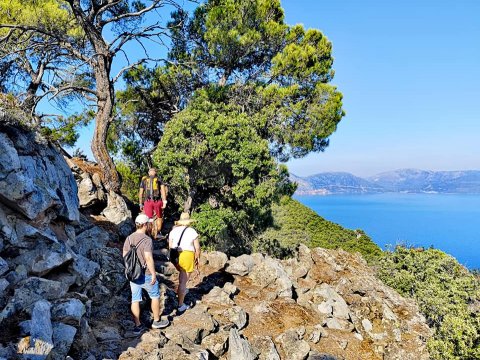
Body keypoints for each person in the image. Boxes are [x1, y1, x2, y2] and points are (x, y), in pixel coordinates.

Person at [123, 213, 169, 335]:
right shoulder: (147, 239)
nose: (150, 225)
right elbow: (148, 258)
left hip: (133, 274)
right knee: (154, 296)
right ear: (144, 225)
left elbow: (125, 256)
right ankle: (156, 321)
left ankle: (137, 326)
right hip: (146, 274)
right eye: (148, 223)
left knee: (135, 299)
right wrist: (154, 274)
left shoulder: (129, 238)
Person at [168, 212, 201, 313]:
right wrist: (197, 258)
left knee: (181, 275)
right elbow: (197, 248)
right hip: (187, 255)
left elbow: (170, 246)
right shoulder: (192, 231)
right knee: (183, 281)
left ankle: (181, 292)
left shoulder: (173, 231)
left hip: (175, 256)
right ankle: (180, 305)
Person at [139, 168, 167, 239]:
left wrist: (140, 204)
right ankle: (157, 233)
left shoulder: (144, 179)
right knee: (159, 217)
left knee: (148, 218)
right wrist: (164, 202)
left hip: (148, 202)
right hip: (157, 201)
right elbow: (163, 191)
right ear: (155, 172)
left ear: (149, 173)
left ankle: (149, 234)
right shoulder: (159, 179)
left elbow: (141, 193)